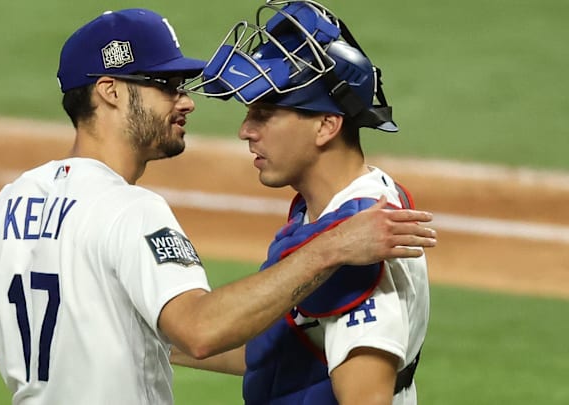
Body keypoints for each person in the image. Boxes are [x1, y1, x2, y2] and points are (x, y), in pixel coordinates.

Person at [0, 7, 436, 405]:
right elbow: (201, 330)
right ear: (109, 91)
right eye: (164, 85)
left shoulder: (7, 206)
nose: (186, 101)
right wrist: (333, 247)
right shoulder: (129, 211)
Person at [173, 1, 431, 404]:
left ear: (327, 125)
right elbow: (271, 351)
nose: (245, 131)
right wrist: (146, 338)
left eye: (265, 113)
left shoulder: (362, 248)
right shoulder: (326, 215)